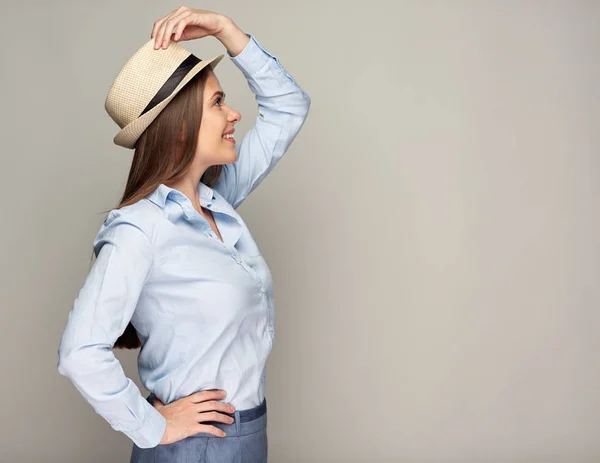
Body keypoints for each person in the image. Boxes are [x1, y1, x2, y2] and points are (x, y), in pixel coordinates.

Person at [56, 7, 310, 462]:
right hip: (196, 449)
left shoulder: (217, 201)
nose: (234, 114)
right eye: (216, 103)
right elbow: (80, 351)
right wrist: (153, 426)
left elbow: (289, 106)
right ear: (178, 130)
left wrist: (226, 32)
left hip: (249, 436)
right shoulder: (140, 229)